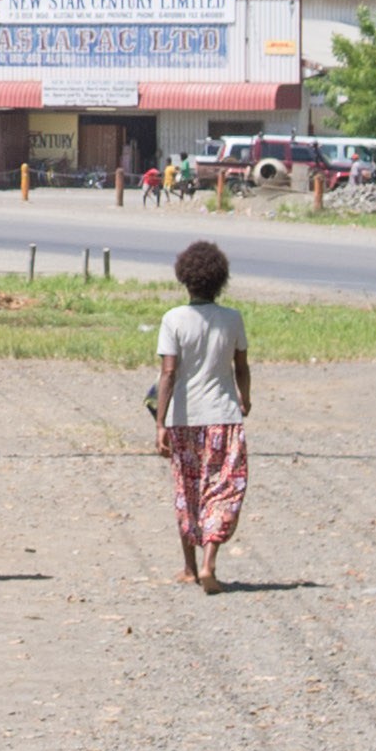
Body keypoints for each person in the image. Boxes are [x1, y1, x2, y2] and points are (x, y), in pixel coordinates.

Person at [153, 240, 253, 591]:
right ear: (220, 280)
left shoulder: (173, 320)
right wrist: (246, 398)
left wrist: (160, 423)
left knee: (188, 489)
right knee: (223, 488)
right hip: (224, 418)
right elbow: (241, 366)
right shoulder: (232, 319)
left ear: (185, 279)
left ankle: (190, 568)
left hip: (184, 418)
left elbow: (168, 373)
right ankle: (211, 562)